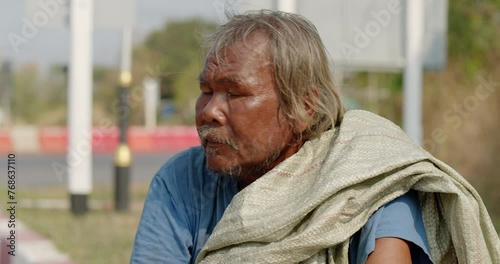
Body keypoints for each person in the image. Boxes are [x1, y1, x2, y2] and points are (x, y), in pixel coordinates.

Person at [130, 10, 500, 264]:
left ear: (303, 107)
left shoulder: (366, 181)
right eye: (206, 90)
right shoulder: (182, 181)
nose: (209, 110)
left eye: (235, 93)